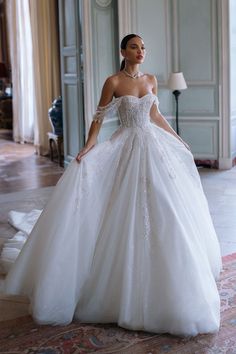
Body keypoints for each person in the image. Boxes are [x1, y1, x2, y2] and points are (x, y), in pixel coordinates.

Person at [3, 34, 222, 337]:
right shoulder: (113, 82)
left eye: (143, 47)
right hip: (127, 145)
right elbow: (98, 116)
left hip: (153, 146)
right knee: (124, 207)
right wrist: (89, 145)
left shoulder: (150, 79)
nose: (141, 51)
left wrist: (177, 138)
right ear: (123, 51)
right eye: (134, 47)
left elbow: (155, 114)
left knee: (166, 205)